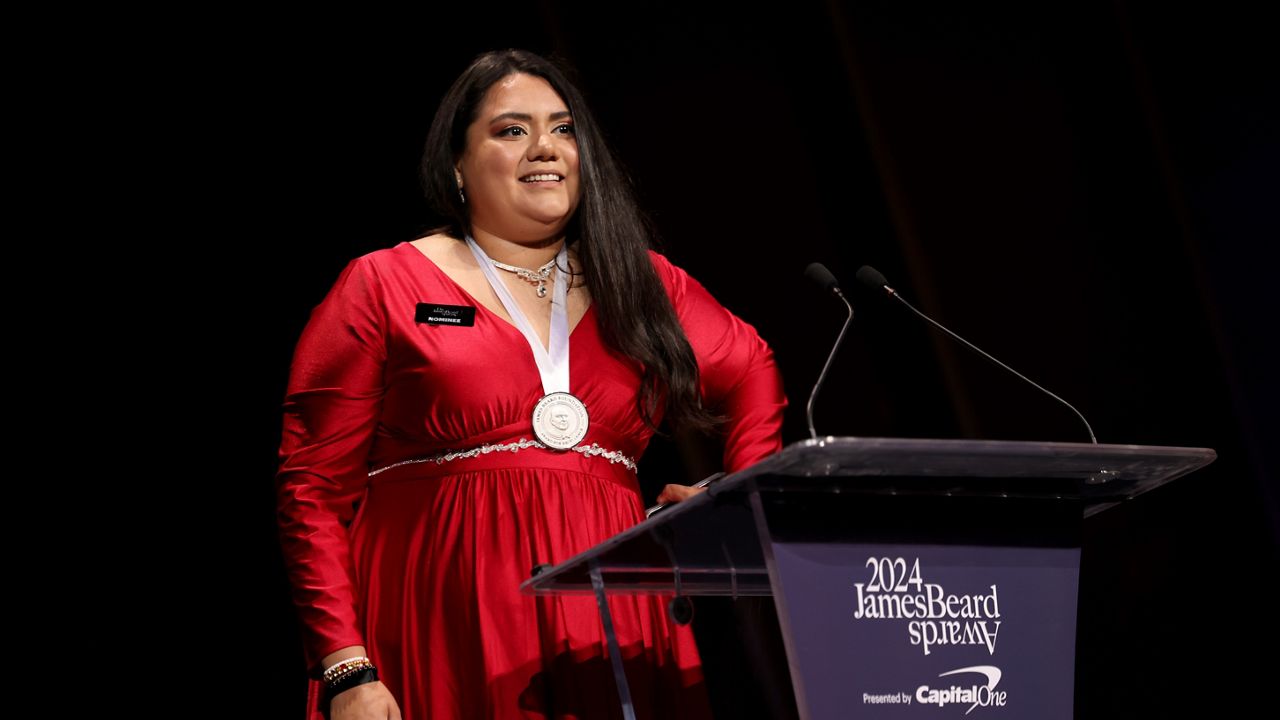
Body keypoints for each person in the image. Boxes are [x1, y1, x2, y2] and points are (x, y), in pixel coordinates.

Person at [276, 48, 787, 720]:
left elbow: (752, 366)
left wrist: (732, 508)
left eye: (564, 128)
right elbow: (310, 488)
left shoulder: (640, 282)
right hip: (441, 617)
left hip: (613, 621)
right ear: (457, 166)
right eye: (512, 130)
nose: (545, 147)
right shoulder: (384, 284)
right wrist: (347, 666)